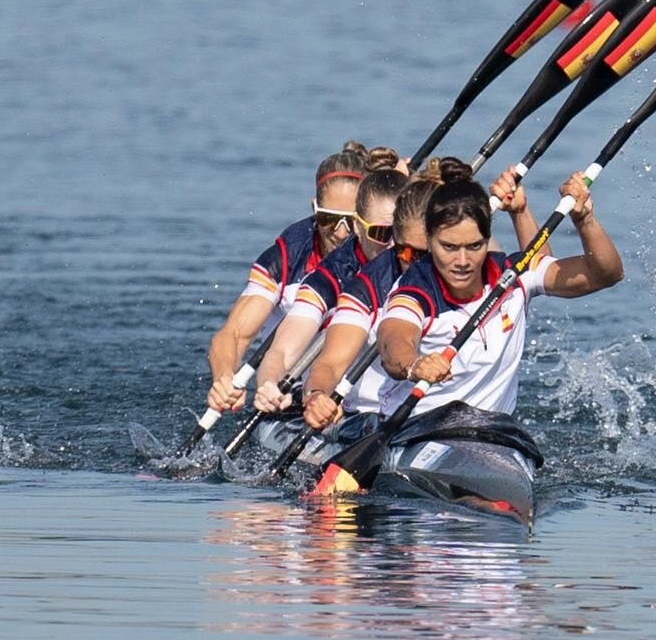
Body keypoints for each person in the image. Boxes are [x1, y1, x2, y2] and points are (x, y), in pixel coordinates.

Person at [299, 158, 550, 434]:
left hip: (460, 428)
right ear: (395, 240)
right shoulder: (369, 287)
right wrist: (316, 396)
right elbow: (331, 364)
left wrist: (520, 212)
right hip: (370, 421)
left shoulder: (462, 267)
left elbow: (539, 268)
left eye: (431, 253)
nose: (423, 264)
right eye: (410, 254)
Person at [368, 170, 622, 420]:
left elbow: (606, 274)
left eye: (475, 246)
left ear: (488, 238)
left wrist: (584, 219)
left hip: (490, 434)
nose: (463, 261)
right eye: (449, 247)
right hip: (417, 429)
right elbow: (394, 344)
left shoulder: (514, 274)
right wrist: (415, 365)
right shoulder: (414, 289)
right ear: (430, 239)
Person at [203, 143, 365, 415]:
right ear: (315, 209)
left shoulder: (380, 251)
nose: (340, 233)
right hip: (286, 390)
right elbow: (233, 334)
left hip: (350, 393)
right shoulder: (287, 256)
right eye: (329, 219)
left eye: (352, 221)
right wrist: (224, 378)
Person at [250, 147, 409, 412]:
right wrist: (270, 384)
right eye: (381, 233)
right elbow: (281, 352)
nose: (393, 245)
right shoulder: (329, 277)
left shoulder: (427, 262)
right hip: (352, 413)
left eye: (399, 233)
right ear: (358, 226)